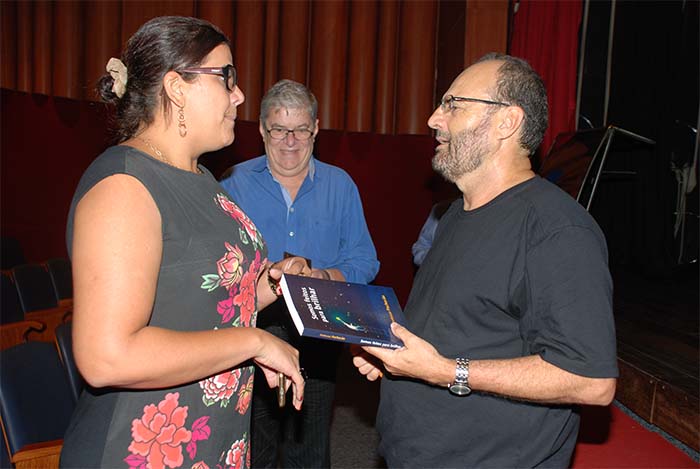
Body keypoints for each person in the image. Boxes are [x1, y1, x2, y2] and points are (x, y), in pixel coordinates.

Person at [61, 16, 309, 468]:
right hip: (140, 448)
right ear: (176, 88)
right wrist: (255, 342)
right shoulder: (124, 185)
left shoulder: (202, 177)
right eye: (226, 77)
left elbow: (209, 301)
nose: (239, 95)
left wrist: (273, 283)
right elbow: (107, 357)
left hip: (208, 437)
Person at [353, 53, 618, 468]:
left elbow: (590, 379)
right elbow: (462, 325)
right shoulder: (454, 214)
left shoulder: (557, 229)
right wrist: (399, 358)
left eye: (453, 105)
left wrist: (446, 371)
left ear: (507, 122)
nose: (433, 119)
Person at [220, 79, 379, 468]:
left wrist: (325, 278)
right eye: (279, 129)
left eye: (301, 130)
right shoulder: (232, 183)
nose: (290, 141)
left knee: (309, 449)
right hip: (253, 331)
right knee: (252, 448)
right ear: (262, 130)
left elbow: (365, 260)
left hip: (319, 335)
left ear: (316, 129)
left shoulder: (340, 186)